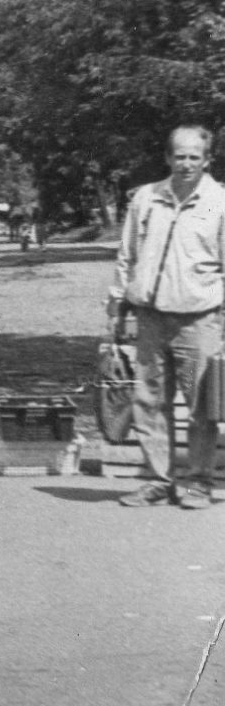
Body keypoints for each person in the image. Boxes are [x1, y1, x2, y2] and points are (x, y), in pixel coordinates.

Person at [111, 124, 225, 509]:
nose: (186, 163)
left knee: (200, 407)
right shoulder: (146, 198)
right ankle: (158, 480)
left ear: (207, 160)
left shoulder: (219, 202)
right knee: (149, 402)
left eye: (194, 156)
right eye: (179, 156)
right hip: (150, 319)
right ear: (167, 157)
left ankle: (198, 484)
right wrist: (118, 304)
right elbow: (127, 256)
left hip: (198, 322)